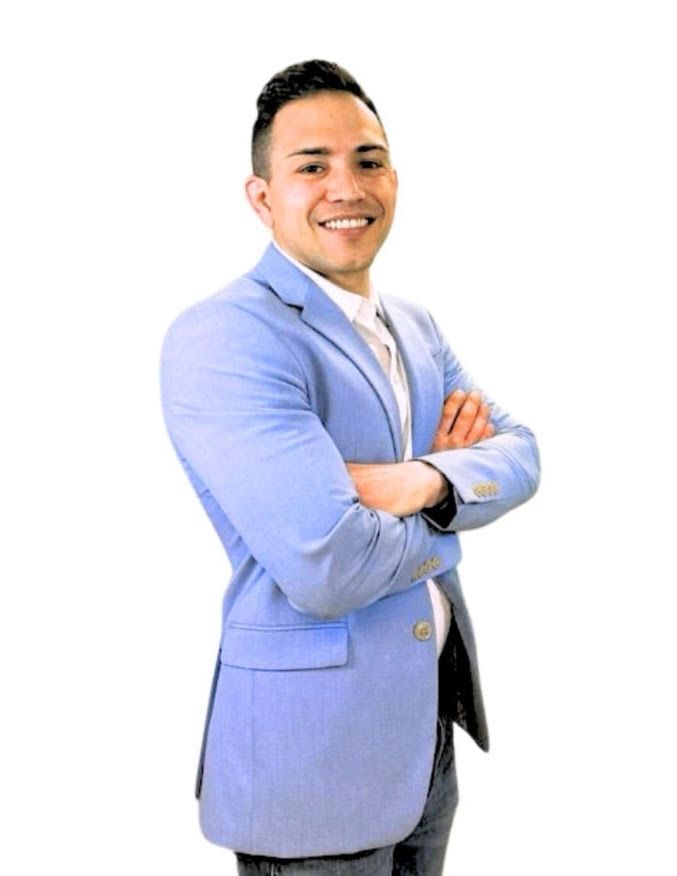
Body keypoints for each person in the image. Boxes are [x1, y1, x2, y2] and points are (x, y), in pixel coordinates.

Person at [160, 59, 540, 875]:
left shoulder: (413, 324)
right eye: (312, 165)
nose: (347, 186)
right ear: (262, 196)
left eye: (368, 161)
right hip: (309, 757)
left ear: (393, 178)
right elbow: (326, 566)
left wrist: (419, 481)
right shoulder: (227, 336)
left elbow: (519, 452)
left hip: (424, 737)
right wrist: (454, 509)